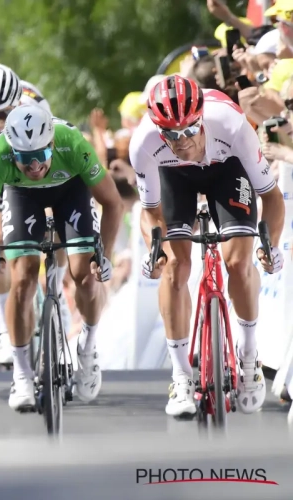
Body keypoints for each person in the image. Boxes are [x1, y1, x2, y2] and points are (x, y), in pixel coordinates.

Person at [132, 76, 284, 417]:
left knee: (239, 263)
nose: (181, 141)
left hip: (226, 170)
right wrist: (154, 250)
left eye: (189, 131)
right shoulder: (143, 142)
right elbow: (151, 213)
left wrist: (270, 244)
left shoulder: (231, 124)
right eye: (170, 134)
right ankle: (181, 376)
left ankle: (248, 358)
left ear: (201, 119)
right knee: (175, 268)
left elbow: (271, 197)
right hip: (174, 177)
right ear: (158, 129)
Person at [0, 104, 123, 409]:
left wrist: (106, 255)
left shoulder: (72, 144)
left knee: (84, 274)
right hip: (21, 195)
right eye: (23, 158)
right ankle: (22, 375)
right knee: (22, 276)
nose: (34, 166)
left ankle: (87, 350)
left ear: (51, 144)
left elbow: (113, 204)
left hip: (69, 189)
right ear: (12, 151)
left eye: (40, 156)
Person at [0, 63, 65, 363]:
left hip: (28, 174)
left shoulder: (35, 109)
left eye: (2, 115)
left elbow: (50, 161)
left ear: (16, 106)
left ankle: (60, 300)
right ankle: (5, 331)